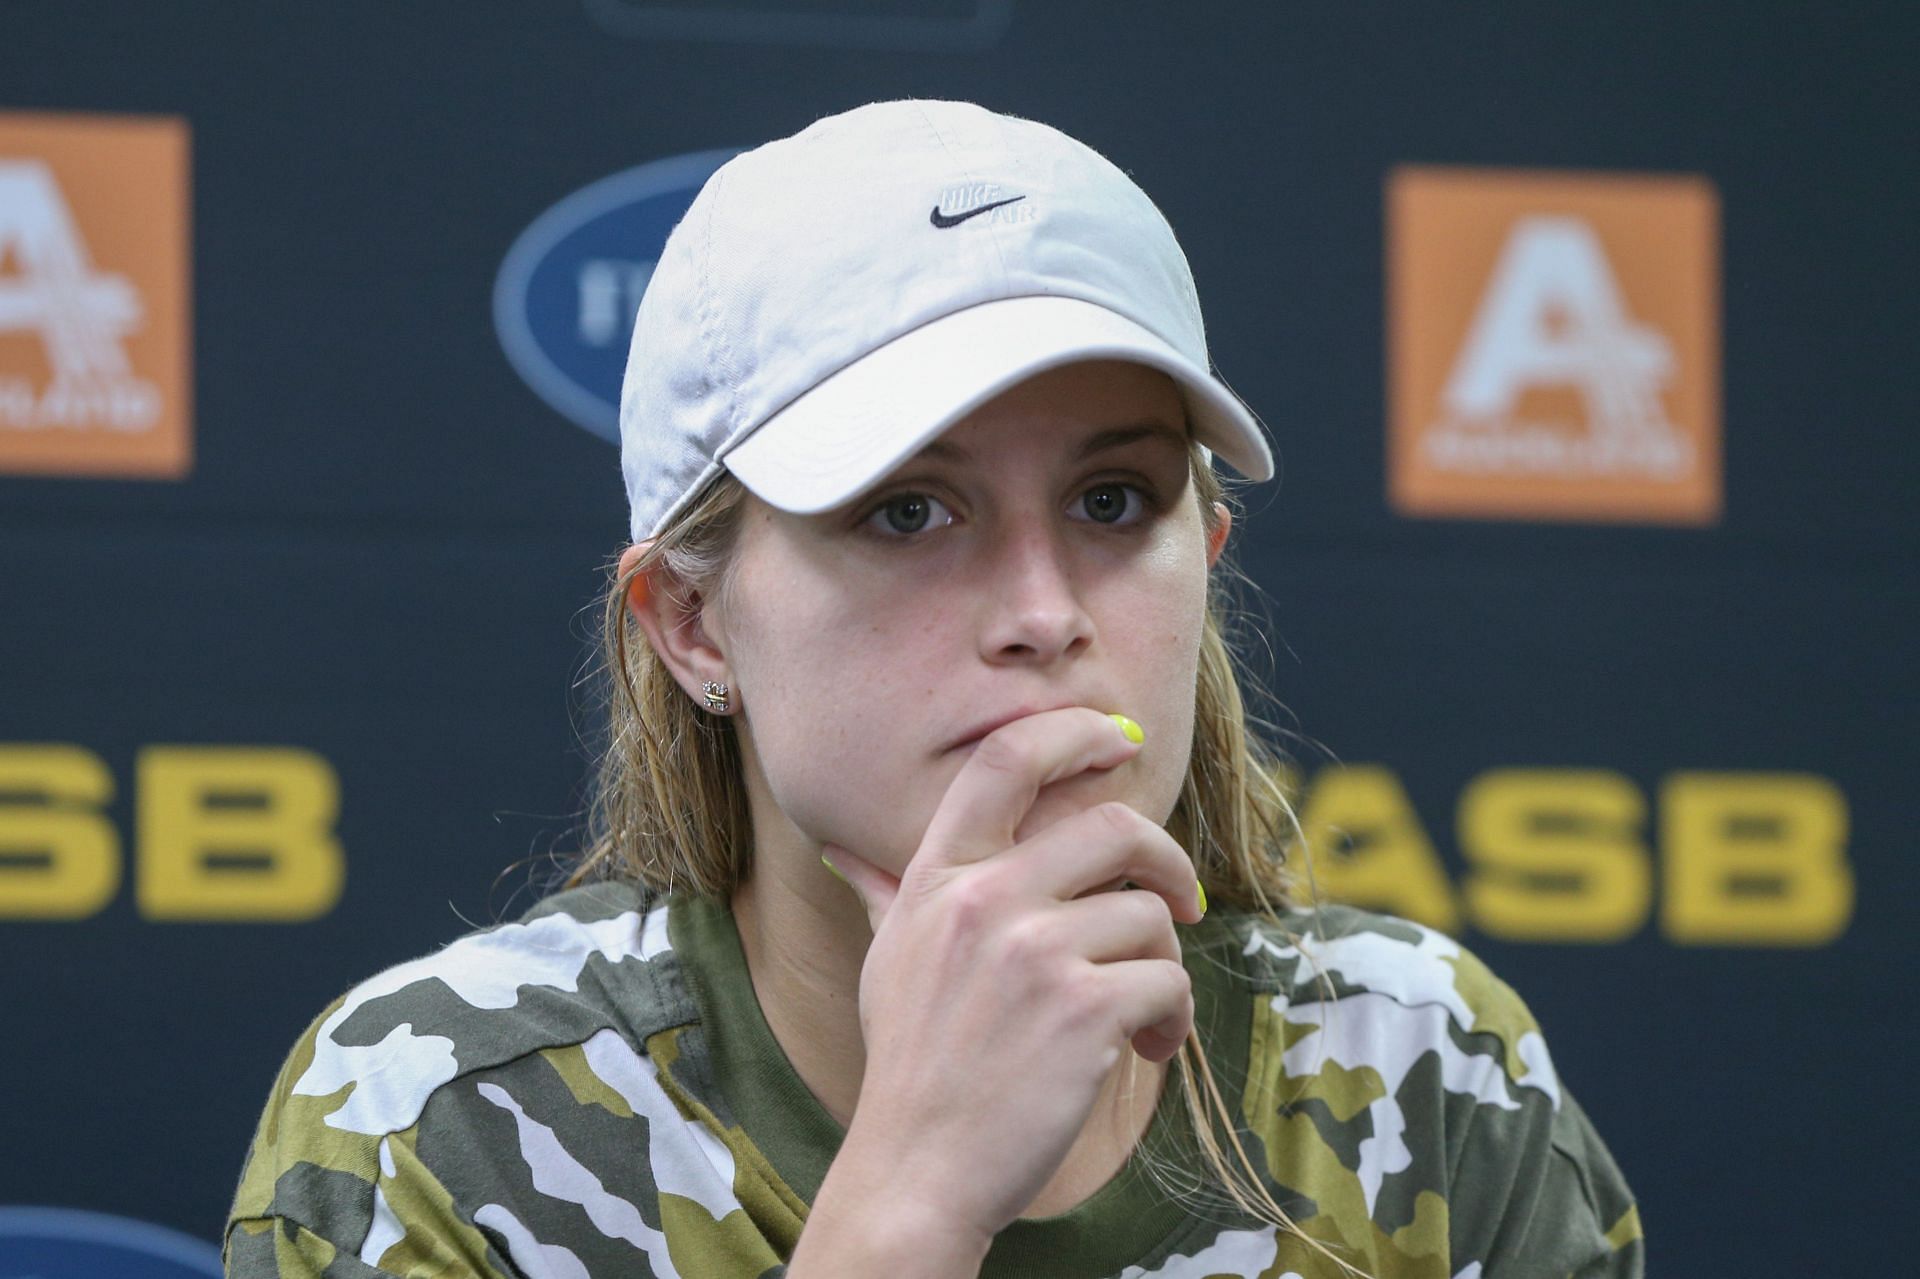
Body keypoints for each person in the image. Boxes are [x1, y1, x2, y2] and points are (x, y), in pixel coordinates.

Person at [225, 100, 1642, 1279]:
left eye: (1112, 498)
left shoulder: (1425, 1071)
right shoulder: (435, 1125)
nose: (1042, 614)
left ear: (1204, 556)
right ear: (693, 626)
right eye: (908, 511)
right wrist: (909, 1203)